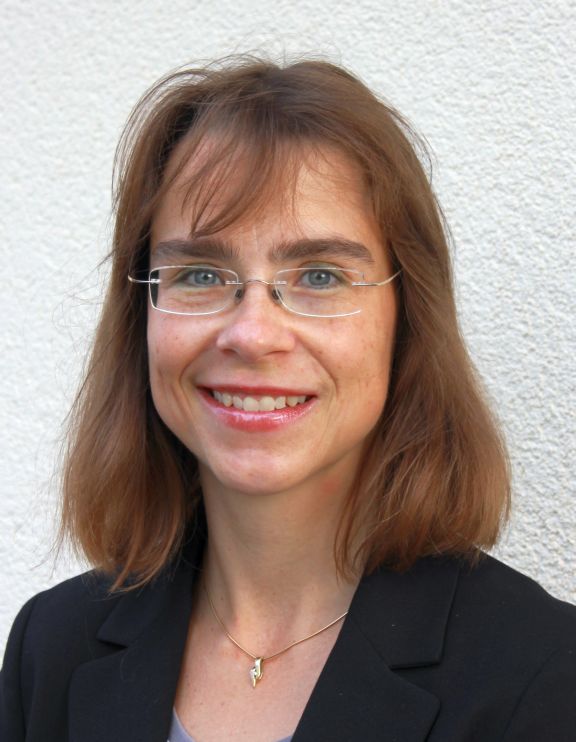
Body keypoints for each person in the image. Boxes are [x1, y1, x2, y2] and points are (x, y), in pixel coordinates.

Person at [1, 55, 575, 742]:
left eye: (320, 275)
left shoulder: (544, 676)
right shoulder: (51, 649)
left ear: (406, 321)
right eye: (201, 273)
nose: (252, 334)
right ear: (142, 317)